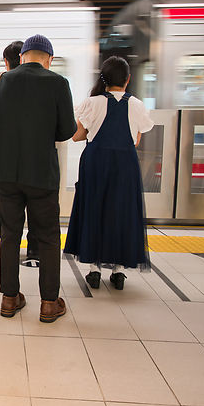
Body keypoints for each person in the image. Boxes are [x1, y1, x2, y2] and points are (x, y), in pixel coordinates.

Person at [0, 34, 76, 323]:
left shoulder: (2, 80)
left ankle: (9, 298)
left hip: (6, 174)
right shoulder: (58, 83)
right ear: (48, 58)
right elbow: (66, 131)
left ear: (22, 56)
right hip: (42, 175)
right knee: (48, 237)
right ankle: (49, 303)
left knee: (10, 235)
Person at [64, 56, 153, 290]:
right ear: (128, 79)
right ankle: (118, 271)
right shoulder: (137, 105)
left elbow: (76, 136)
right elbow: (136, 139)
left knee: (95, 208)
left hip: (96, 162)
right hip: (125, 164)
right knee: (122, 211)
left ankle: (93, 269)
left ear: (103, 79)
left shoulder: (91, 103)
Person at [0, 40, 39, 261]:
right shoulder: (43, 83)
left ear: (6, 62)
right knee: (36, 211)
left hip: (7, 164)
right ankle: (33, 250)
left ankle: (10, 293)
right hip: (37, 162)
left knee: (10, 222)